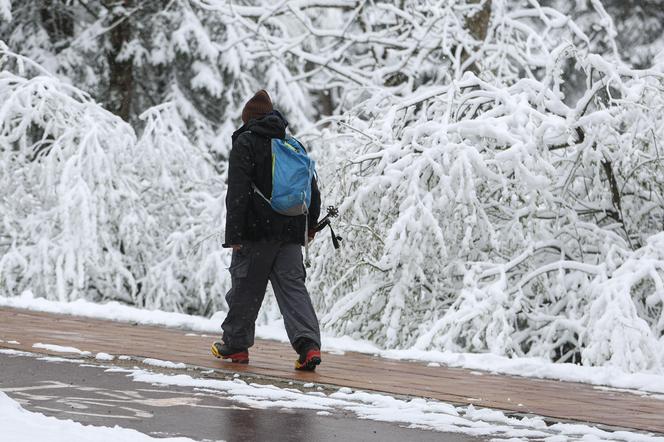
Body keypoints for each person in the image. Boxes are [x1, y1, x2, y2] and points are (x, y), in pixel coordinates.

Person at [211, 90, 322, 371]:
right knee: (293, 290)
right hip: (291, 231)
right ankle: (309, 347)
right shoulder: (291, 143)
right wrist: (308, 228)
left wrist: (233, 235)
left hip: (256, 232)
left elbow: (237, 191)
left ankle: (236, 347)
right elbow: (312, 188)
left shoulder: (246, 142)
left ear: (248, 119)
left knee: (246, 289)